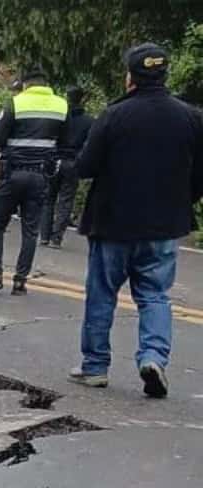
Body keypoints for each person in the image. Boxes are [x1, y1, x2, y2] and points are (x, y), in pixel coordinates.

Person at [70, 43, 203, 398]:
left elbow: (86, 167)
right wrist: (181, 203)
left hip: (113, 223)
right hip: (163, 225)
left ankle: (95, 366)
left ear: (130, 77)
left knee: (101, 294)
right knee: (155, 295)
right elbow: (200, 174)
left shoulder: (113, 116)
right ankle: (153, 357)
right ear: (164, 73)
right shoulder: (190, 116)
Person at [0, 67, 69, 296]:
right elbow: (64, 141)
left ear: (26, 85)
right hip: (40, 175)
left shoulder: (16, 103)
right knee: (30, 230)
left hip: (13, 173)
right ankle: (20, 281)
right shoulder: (61, 105)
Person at [39, 85, 93, 247]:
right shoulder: (89, 121)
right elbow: (88, 145)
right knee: (66, 199)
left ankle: (44, 235)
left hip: (55, 159)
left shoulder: (59, 118)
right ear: (82, 99)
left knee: (48, 198)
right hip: (72, 161)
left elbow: (48, 136)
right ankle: (57, 237)